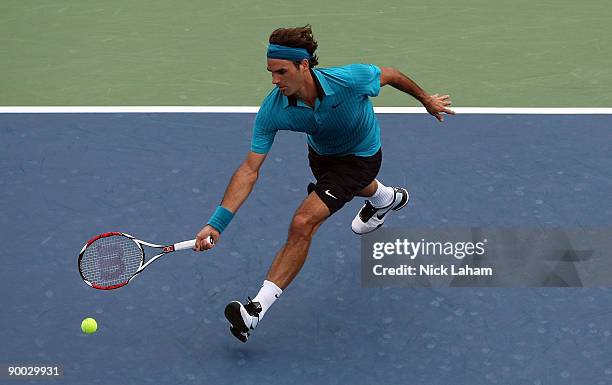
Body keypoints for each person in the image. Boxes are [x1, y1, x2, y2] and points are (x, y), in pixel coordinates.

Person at [193, 25, 454, 342]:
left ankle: (254, 311)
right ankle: (386, 198)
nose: (274, 80)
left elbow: (391, 74)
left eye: (281, 71)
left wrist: (425, 99)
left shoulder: (350, 79)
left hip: (361, 154)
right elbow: (249, 169)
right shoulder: (272, 109)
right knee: (346, 188)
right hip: (322, 158)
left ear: (303, 66)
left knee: (303, 222)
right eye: (270, 72)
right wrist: (217, 222)